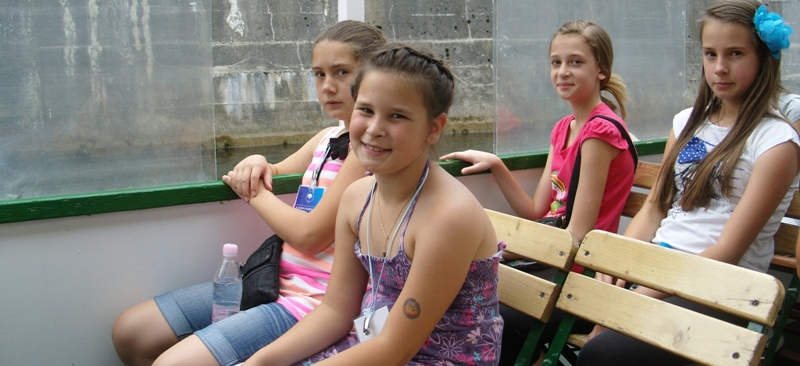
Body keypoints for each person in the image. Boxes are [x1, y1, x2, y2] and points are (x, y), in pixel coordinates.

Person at [111, 20, 388, 366]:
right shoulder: (326, 139)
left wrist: (254, 194)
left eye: (341, 72)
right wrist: (257, 161)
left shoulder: (368, 152)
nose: (327, 86)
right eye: (319, 74)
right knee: (133, 331)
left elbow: (310, 236)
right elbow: (275, 170)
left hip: (311, 303)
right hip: (270, 278)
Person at [242, 43, 503, 366]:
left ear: (433, 128)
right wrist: (260, 362)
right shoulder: (357, 198)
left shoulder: (448, 217)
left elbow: (395, 349)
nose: (374, 129)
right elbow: (336, 311)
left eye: (397, 116)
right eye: (365, 110)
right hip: (372, 344)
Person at [577, 0, 800, 365]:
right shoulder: (686, 122)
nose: (720, 68)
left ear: (764, 58)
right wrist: (617, 265)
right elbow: (655, 205)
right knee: (549, 315)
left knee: (603, 354)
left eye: (735, 54)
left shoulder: (777, 143)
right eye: (711, 54)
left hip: (723, 290)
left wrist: (634, 298)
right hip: (661, 272)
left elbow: (728, 252)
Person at [440, 20, 637, 365]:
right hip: (553, 262)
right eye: (556, 62)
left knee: (490, 317)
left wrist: (507, 250)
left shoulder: (599, 132)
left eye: (576, 62)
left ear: (601, 70)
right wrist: (497, 165)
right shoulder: (563, 129)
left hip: (579, 275)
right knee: (464, 298)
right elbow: (535, 210)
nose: (563, 71)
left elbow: (577, 234)